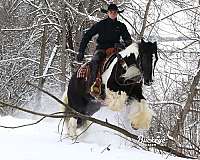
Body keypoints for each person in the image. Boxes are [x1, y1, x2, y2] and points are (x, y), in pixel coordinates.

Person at [77, 4, 132, 96]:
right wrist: (81, 51)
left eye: (115, 12)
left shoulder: (121, 26)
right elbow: (87, 36)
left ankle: (128, 87)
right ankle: (94, 86)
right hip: (102, 49)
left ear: (117, 13)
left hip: (116, 50)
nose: (113, 14)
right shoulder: (101, 24)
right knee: (95, 61)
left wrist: (123, 44)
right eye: (111, 12)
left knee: (127, 62)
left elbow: (128, 39)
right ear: (107, 13)